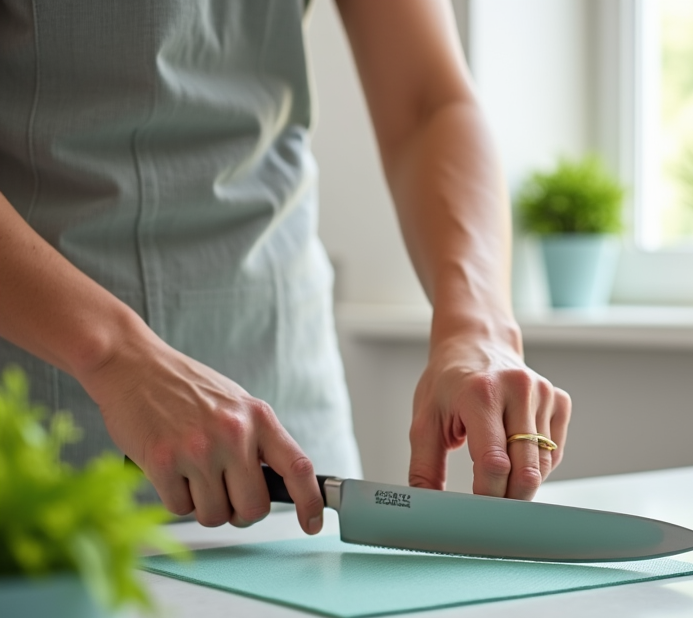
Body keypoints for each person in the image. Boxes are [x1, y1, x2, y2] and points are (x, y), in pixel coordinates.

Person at [0, 0, 571, 535]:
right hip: (34, 420)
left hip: (290, 420)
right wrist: (115, 356)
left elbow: (429, 101)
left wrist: (479, 330)